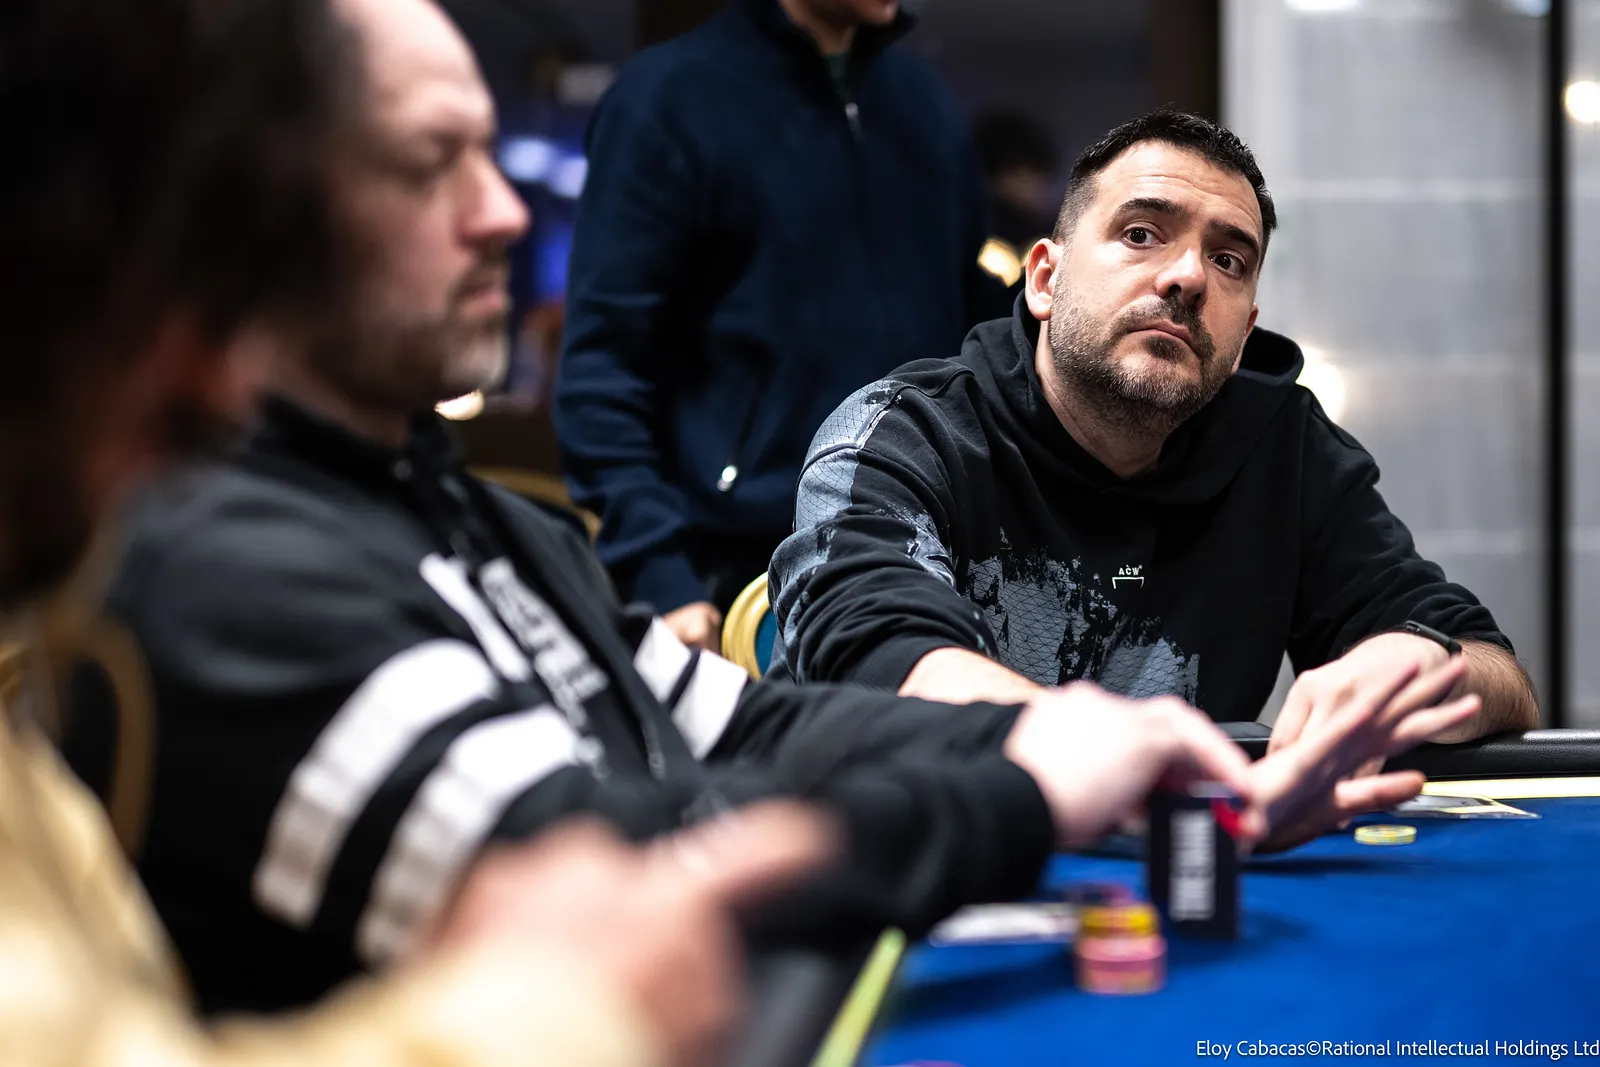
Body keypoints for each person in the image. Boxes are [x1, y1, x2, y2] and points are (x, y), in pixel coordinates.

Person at [65, 0, 1478, 1020]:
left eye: (1229, 258)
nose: (504, 213)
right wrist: (1037, 782)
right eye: (433, 163)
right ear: (240, 214)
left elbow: (747, 728)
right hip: (741, 568)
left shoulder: (498, 531)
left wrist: (1092, 740)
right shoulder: (225, 565)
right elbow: (609, 869)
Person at [0, 2, 835, 1067]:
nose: (220, 390)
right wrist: (557, 1010)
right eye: (148, 292)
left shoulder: (503, 526)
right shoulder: (213, 567)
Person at [770, 110, 1539, 756]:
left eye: (1228, 259)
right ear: (1045, 279)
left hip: (1192, 854)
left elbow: (1501, 676)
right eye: (1141, 233)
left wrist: (1416, 665)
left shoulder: (1286, 452)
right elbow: (877, 653)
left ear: (1244, 334)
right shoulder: (904, 432)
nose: (1188, 277)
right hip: (916, 851)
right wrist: (1131, 758)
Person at [554, 0, 1009, 653]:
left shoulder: (923, 102)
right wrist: (659, 571)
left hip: (924, 545)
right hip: (736, 573)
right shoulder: (668, 98)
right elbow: (603, 367)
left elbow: (969, 314)